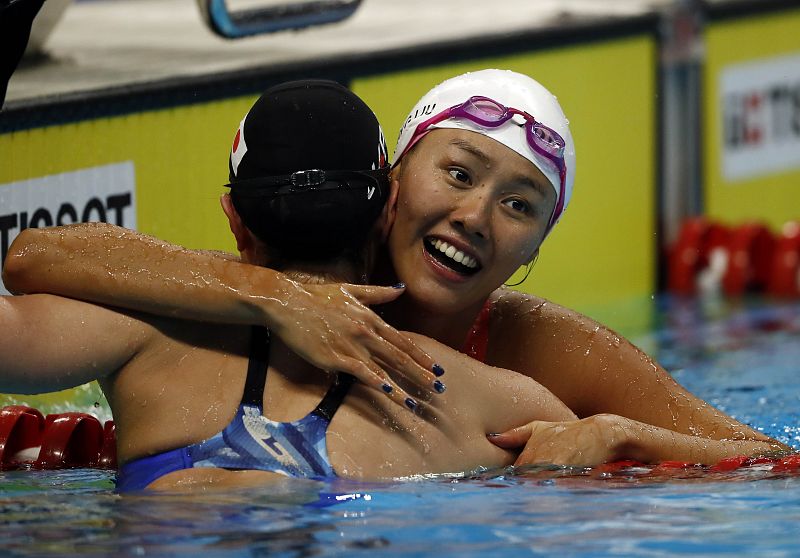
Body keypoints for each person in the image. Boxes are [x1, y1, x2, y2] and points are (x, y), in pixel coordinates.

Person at [4, 71, 789, 467]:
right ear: (394, 182)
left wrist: (620, 438)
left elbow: (771, 462)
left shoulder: (540, 351)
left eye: (519, 206)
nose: (476, 216)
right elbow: (35, 256)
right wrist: (274, 295)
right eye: (458, 173)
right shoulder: (273, 284)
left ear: (535, 248)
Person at [1, 79, 582, 492]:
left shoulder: (144, 332)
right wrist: (615, 434)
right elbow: (612, 469)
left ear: (235, 220)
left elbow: (31, 268)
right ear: (389, 212)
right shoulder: (490, 402)